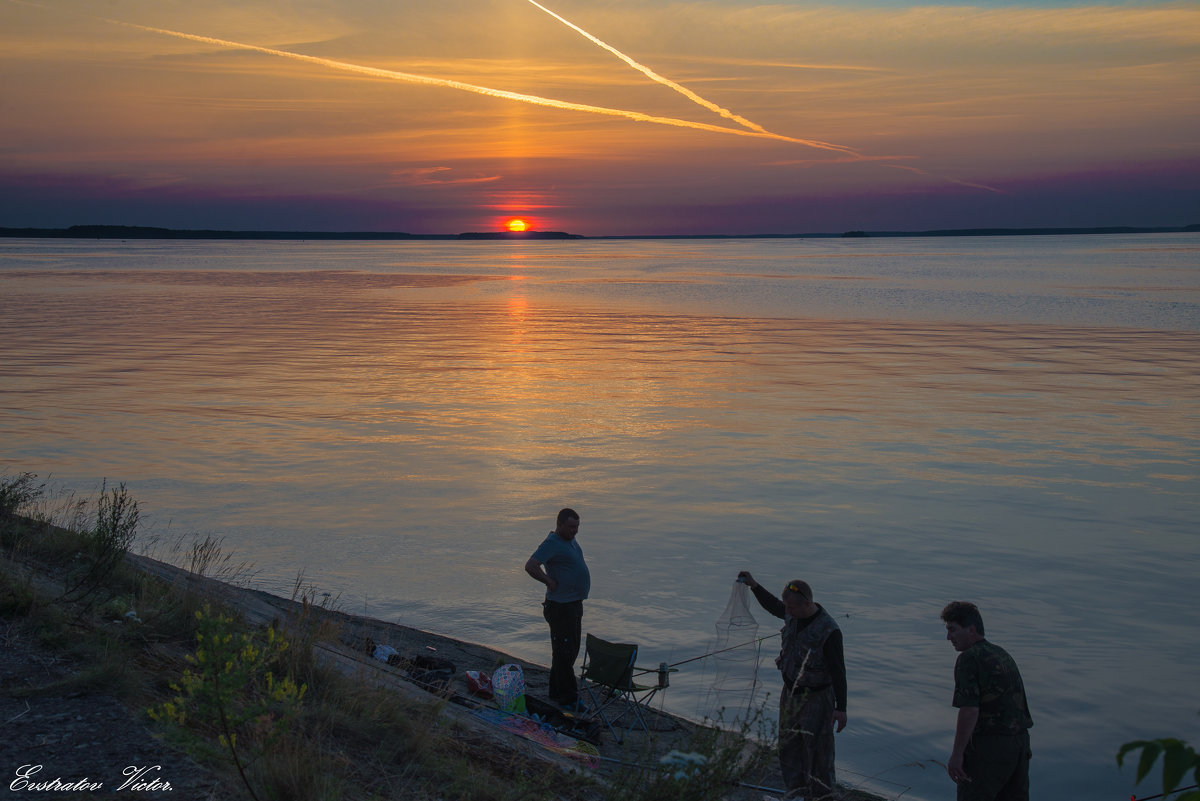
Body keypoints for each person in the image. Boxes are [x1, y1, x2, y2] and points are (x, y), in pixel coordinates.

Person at [738, 571, 847, 801]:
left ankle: (821, 796)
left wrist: (841, 708)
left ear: (807, 604)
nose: (786, 612)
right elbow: (774, 606)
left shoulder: (829, 630)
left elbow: (839, 672)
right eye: (786, 607)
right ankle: (796, 792)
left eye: (791, 608)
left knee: (819, 753)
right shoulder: (792, 614)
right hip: (790, 695)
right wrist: (754, 585)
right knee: (788, 747)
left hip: (817, 698)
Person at [941, 601, 1033, 801]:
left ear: (971, 630)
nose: (949, 637)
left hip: (990, 748)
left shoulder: (969, 658)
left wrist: (957, 755)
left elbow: (969, 710)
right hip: (1020, 745)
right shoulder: (1001, 653)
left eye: (953, 630)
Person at [525, 508, 590, 708]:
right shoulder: (552, 542)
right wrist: (547, 580)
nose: (575, 531)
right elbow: (531, 565)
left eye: (577, 527)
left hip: (573, 604)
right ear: (559, 524)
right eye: (571, 527)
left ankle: (555, 691)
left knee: (567, 651)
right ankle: (569, 698)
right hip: (561, 607)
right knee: (565, 652)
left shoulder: (569, 539)